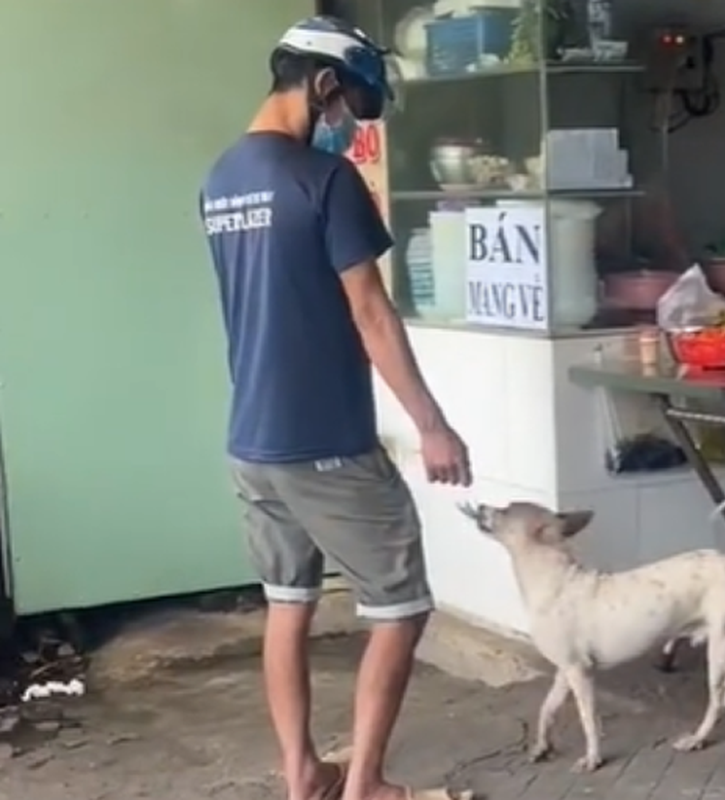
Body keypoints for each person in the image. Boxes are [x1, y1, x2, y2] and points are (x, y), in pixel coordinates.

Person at [199, 16, 471, 800]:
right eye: (349, 104)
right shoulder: (323, 181)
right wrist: (431, 425)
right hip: (325, 439)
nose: (347, 124)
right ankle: (367, 785)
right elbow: (372, 315)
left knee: (288, 604)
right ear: (324, 86)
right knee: (401, 606)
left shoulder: (219, 178)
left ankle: (303, 777)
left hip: (252, 439)